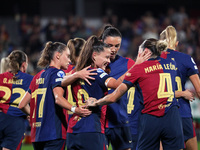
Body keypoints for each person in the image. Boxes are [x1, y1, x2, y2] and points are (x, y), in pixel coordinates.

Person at [87, 38, 185, 150]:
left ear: (146, 51)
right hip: (173, 116)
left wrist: (96, 102)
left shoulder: (138, 69)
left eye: (139, 51)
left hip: (151, 118)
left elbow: (114, 97)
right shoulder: (171, 63)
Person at [18, 41, 94, 150]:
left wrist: (35, 116)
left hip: (37, 135)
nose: (69, 60)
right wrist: (75, 109)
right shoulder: (58, 73)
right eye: (67, 56)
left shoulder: (37, 77)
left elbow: (21, 105)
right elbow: (58, 98)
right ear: (58, 55)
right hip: (54, 133)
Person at [160, 25, 200, 150]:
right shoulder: (186, 59)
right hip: (182, 112)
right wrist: (182, 93)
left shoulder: (153, 60)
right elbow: (198, 89)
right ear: (176, 43)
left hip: (161, 113)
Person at [98, 24, 135, 150]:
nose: (113, 49)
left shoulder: (128, 63)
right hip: (98, 123)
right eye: (109, 45)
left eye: (117, 46)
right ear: (102, 42)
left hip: (120, 122)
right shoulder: (93, 65)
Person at [0, 50, 33, 150]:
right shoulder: (31, 79)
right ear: (24, 64)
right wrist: (30, 114)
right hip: (16, 121)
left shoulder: (0, 77)